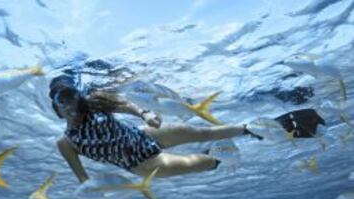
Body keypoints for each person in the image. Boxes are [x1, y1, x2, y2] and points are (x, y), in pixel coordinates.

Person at [49, 63, 263, 183]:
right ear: (56, 107)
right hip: (138, 162)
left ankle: (249, 129)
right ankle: (215, 157)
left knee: (201, 131)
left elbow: (125, 105)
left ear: (78, 96)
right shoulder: (65, 142)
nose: (69, 105)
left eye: (72, 97)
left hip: (143, 134)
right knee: (195, 165)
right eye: (62, 100)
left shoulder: (94, 104)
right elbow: (82, 177)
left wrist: (145, 114)